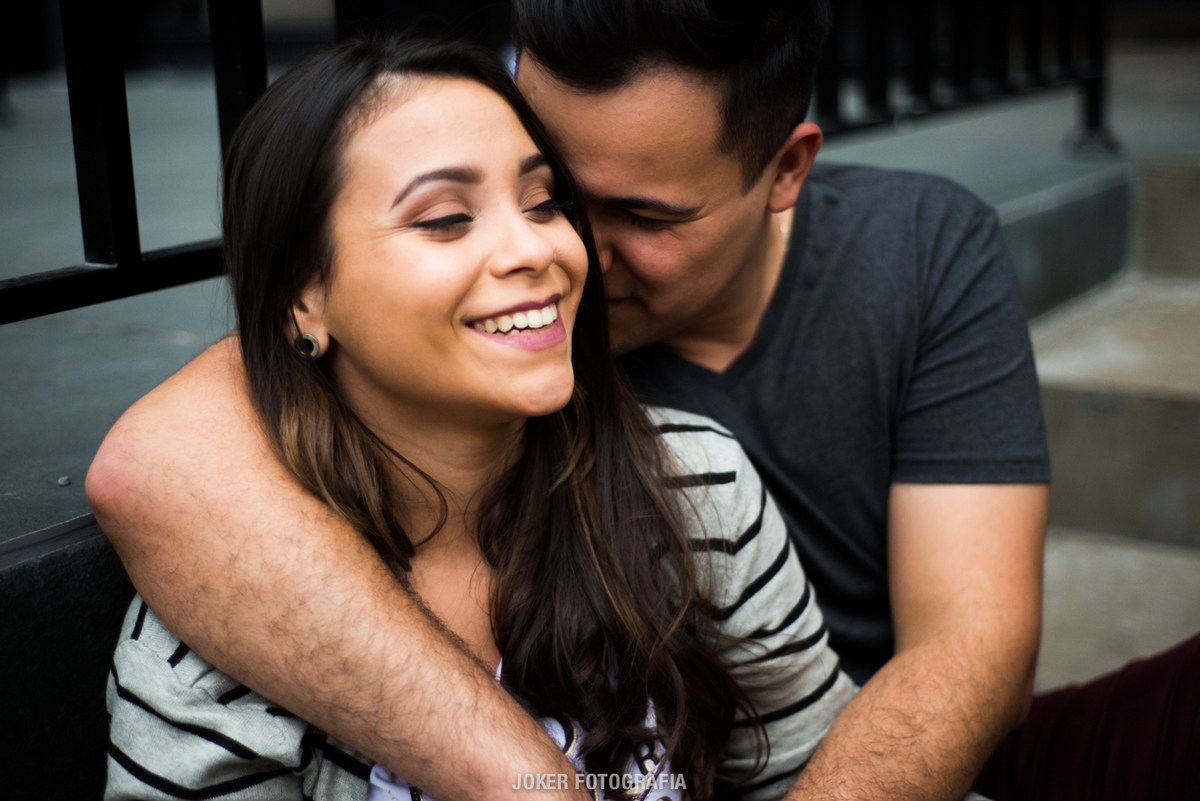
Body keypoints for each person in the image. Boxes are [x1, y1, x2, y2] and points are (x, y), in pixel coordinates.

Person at [86, 1, 1198, 800]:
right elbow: (153, 466)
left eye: (640, 216)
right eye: (556, 180)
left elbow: (975, 648)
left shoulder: (894, 272)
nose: (561, 253)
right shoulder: (423, 366)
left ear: (785, 173)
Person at [102, 35, 855, 800]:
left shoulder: (696, 489)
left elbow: (824, 774)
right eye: (446, 218)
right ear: (304, 294)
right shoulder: (221, 638)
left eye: (544, 202)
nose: (535, 247)